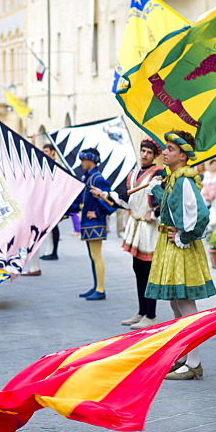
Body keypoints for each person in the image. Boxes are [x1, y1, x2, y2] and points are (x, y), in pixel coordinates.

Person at [146, 131, 215, 380]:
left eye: (170, 149)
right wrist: (158, 194)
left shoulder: (184, 180)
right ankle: (185, 356)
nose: (164, 152)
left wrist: (184, 237)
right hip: (171, 245)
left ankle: (194, 362)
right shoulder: (174, 178)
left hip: (180, 247)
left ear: (183, 156)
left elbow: (201, 216)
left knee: (186, 305)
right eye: (165, 149)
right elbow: (175, 209)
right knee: (177, 304)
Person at [93, 138, 166, 329]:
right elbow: (124, 199)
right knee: (138, 270)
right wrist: (104, 195)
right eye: (143, 150)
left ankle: (151, 314)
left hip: (150, 229)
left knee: (148, 272)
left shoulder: (159, 174)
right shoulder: (133, 174)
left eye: (149, 152)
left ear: (154, 156)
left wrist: (156, 212)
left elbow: (165, 199)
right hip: (136, 226)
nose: (144, 155)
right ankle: (142, 312)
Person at [68, 147, 115, 301]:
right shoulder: (88, 177)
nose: (81, 163)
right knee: (92, 255)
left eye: (83, 160)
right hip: (88, 222)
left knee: (96, 255)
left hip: (95, 222)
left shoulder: (97, 178)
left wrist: (99, 213)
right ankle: (96, 287)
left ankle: (100, 289)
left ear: (91, 161)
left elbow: (110, 201)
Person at [39, 144, 63, 261]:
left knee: (53, 226)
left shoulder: (56, 165)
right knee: (48, 227)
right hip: (46, 198)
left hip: (54, 199)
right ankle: (49, 250)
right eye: (43, 151)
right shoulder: (44, 165)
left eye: (46, 151)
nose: (44, 153)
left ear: (53, 152)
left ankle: (54, 252)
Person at [201, 158, 216, 234]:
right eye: (212, 164)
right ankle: (208, 229)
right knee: (206, 212)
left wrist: (211, 196)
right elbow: (204, 184)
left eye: (215, 165)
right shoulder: (207, 174)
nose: (213, 166)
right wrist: (206, 195)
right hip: (206, 197)